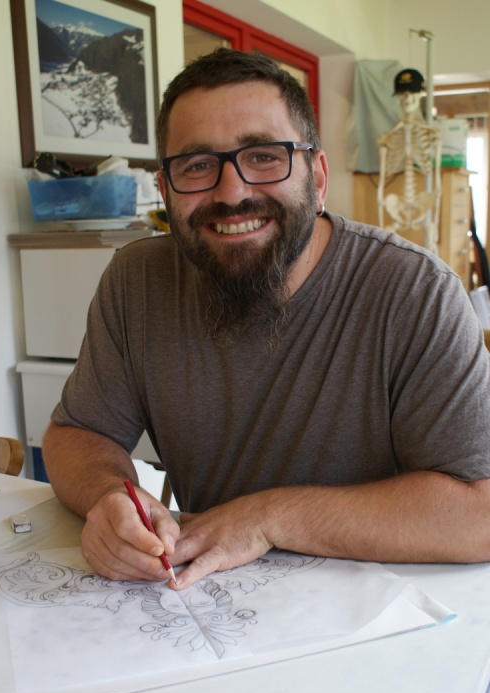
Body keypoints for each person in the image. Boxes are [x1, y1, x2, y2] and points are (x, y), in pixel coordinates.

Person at [42, 48, 490, 591]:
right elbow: (77, 434)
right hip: (205, 603)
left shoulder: (415, 291)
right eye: (197, 165)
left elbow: (480, 512)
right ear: (165, 190)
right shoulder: (136, 280)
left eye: (263, 156)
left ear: (317, 178)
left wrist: (266, 519)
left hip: (386, 609)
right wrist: (112, 497)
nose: (231, 192)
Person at [377, 68, 442, 253]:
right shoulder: (388, 137)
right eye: (402, 95)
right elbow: (381, 185)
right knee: (386, 209)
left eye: (411, 94)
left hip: (421, 205)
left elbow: (436, 183)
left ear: (420, 95)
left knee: (430, 230)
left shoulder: (431, 135)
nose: (407, 100)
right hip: (396, 207)